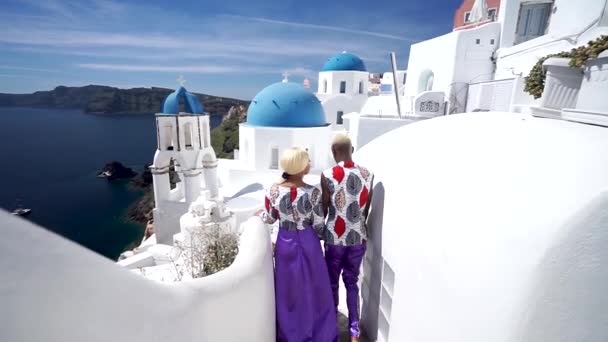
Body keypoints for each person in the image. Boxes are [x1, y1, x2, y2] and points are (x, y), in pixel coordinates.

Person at [257, 147, 338, 342]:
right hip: (309, 242)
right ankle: (319, 332)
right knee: (315, 289)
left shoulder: (273, 190)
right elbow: (319, 225)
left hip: (285, 243)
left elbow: (269, 218)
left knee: (289, 292)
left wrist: (257, 215)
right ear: (301, 168)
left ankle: (291, 333)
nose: (309, 164)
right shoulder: (313, 193)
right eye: (307, 161)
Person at [321, 133, 374, 342]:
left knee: (332, 283)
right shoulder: (368, 174)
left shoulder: (327, 174)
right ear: (351, 150)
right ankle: (354, 334)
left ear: (334, 151)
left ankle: (332, 330)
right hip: (357, 238)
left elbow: (324, 209)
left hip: (334, 238)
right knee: (352, 283)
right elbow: (365, 210)